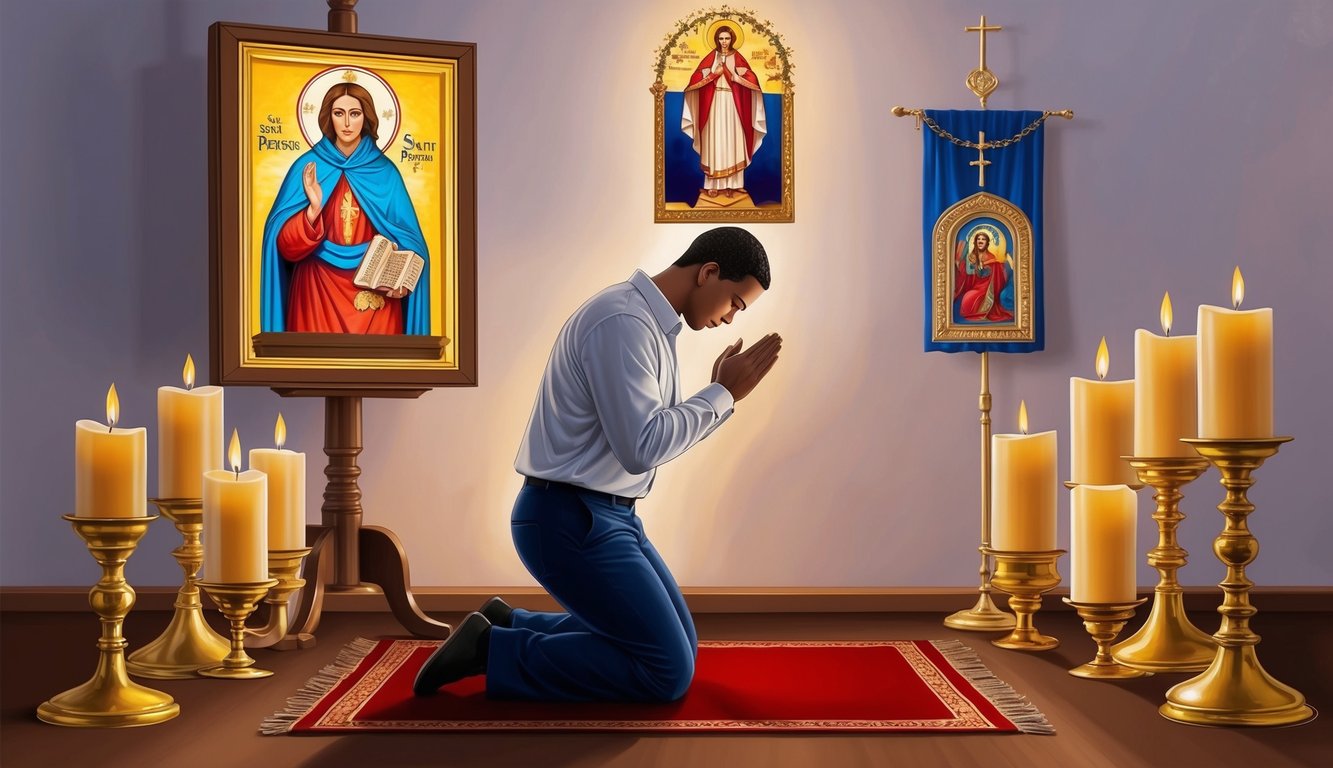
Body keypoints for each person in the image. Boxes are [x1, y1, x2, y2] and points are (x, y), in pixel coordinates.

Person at [414, 227, 782, 702]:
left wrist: (718, 393)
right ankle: (492, 649)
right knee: (666, 670)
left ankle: (510, 620)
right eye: (735, 302)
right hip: (568, 520)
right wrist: (722, 394)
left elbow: (650, 435)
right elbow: (642, 448)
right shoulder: (623, 322)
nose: (731, 318)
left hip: (609, 516)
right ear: (708, 273)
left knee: (680, 648)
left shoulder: (650, 323)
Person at [259, 81, 431, 335]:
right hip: (316, 292)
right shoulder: (307, 168)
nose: (347, 123)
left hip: (375, 296)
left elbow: (412, 242)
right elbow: (283, 246)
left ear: (367, 117)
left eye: (355, 113)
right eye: (339, 113)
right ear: (328, 117)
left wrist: (402, 280)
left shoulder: (385, 173)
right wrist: (313, 211)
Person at [681, 25, 766, 200]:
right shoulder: (711, 58)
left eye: (727, 38)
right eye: (721, 39)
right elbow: (697, 79)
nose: (724, 42)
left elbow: (751, 80)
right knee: (715, 141)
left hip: (732, 104)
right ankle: (712, 185)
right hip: (714, 104)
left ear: (732, 39)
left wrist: (732, 75)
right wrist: (714, 74)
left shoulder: (738, 58)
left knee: (733, 141)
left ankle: (734, 185)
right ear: (716, 40)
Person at [953, 230, 1013, 323]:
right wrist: (966, 265)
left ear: (987, 243)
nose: (980, 241)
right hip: (976, 287)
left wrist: (987, 267)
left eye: (983, 239)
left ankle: (985, 311)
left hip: (988, 289)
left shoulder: (991, 257)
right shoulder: (971, 257)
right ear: (975, 242)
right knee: (967, 298)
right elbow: (967, 275)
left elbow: (996, 274)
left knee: (972, 298)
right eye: (978, 239)